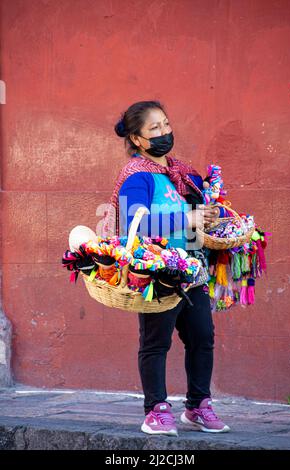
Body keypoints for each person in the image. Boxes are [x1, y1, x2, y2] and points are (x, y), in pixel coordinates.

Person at [103, 100, 230, 436]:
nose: (164, 132)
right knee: (156, 342)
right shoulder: (136, 176)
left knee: (202, 336)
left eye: (167, 124)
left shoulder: (184, 172)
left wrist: (209, 215)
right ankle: (156, 410)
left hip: (192, 268)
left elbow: (198, 214)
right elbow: (134, 223)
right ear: (138, 139)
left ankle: (197, 406)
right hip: (157, 272)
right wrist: (187, 217)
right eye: (154, 128)